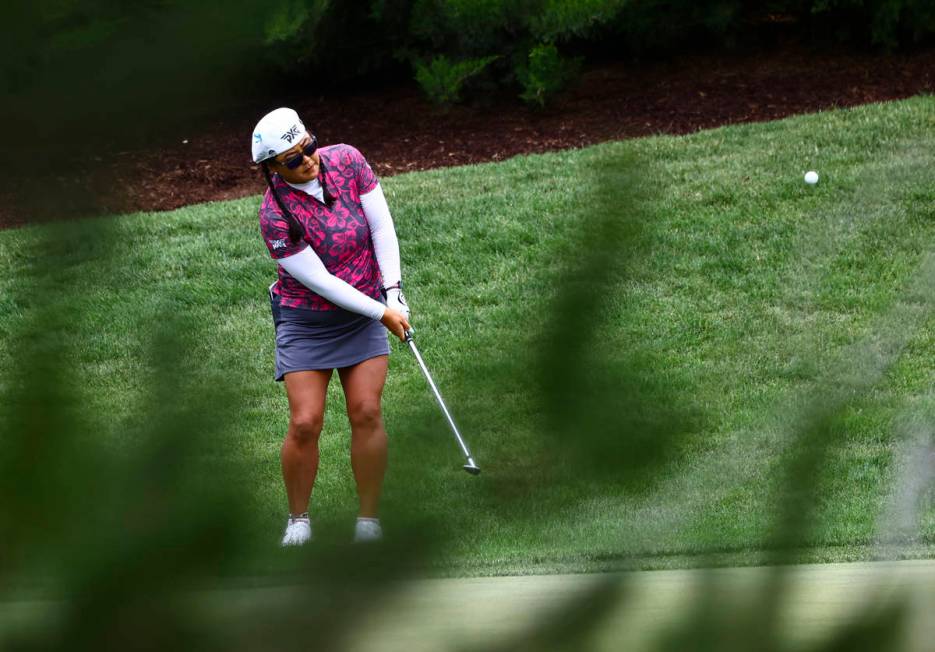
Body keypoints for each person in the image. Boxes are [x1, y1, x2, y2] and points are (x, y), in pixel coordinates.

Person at [251, 107, 411, 546]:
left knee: (367, 411)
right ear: (272, 169)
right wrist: (382, 312)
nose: (307, 159)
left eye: (308, 146)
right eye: (293, 158)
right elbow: (321, 281)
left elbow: (381, 226)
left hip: (364, 312)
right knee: (305, 421)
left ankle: (368, 521)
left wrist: (393, 292)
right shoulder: (274, 215)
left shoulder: (347, 160)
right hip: (307, 321)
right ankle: (299, 520)